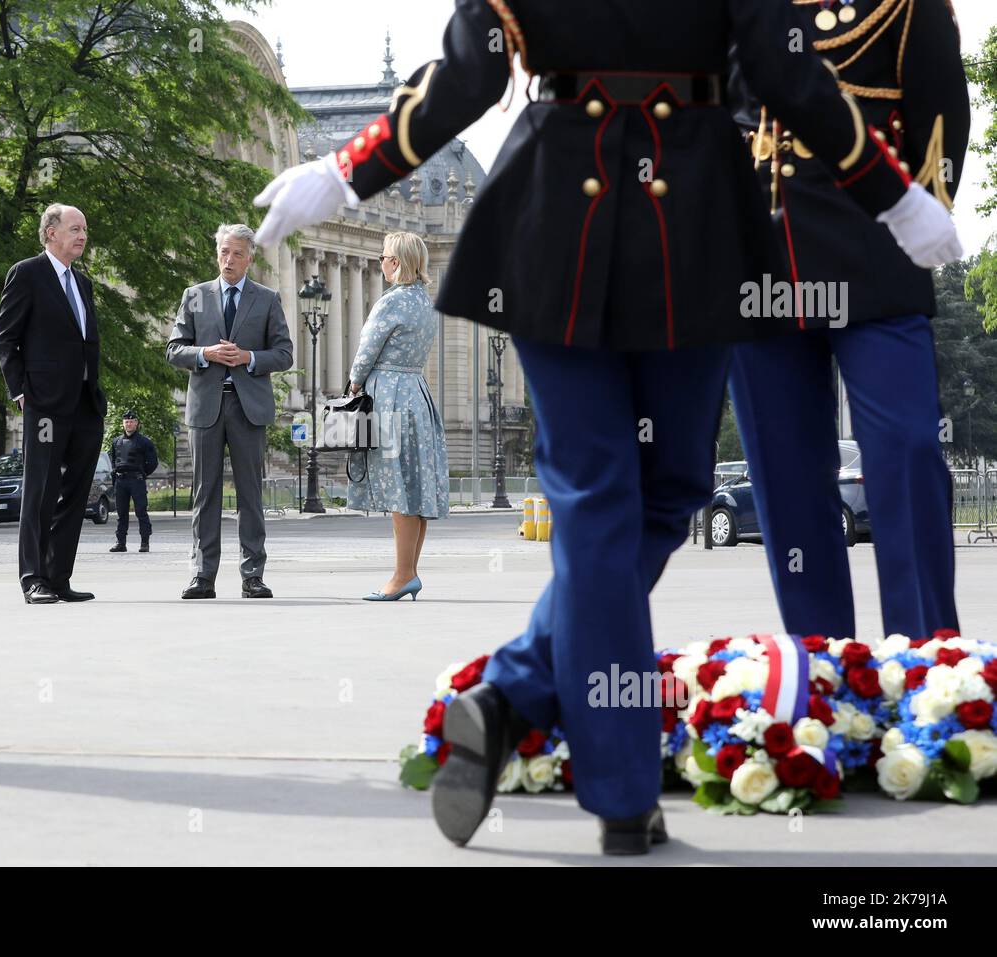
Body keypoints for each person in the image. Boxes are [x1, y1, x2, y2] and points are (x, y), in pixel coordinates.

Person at [253, 0, 962, 853]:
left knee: (662, 495)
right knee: (605, 501)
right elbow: (781, 70)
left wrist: (347, 171)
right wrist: (343, 171)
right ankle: (621, 795)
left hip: (582, 221)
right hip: (672, 220)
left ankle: (512, 690)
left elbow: (473, 73)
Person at [726, 0, 969, 642]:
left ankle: (928, 665)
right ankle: (825, 669)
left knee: (909, 455)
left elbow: (941, 124)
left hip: (875, 259)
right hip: (760, 268)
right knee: (785, 478)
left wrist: (919, 229)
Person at [166, 224, 293, 600]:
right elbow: (174, 349)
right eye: (224, 252)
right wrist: (205, 353)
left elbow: (284, 353)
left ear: (250, 257)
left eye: (237, 253)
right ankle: (202, 576)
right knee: (204, 493)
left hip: (247, 407)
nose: (229, 260)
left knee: (250, 495)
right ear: (216, 254)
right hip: (206, 407)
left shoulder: (267, 299)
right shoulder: (195, 296)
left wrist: (248, 357)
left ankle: (253, 575)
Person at [0, 203, 108, 605]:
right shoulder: (27, 274)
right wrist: (21, 391)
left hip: (85, 404)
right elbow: (6, 337)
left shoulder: (83, 283)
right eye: (75, 228)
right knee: (41, 491)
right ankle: (33, 579)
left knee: (76, 494)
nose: (82, 236)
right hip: (44, 404)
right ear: (50, 233)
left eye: (85, 230)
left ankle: (59, 577)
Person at [346, 231, 449, 601]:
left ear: (396, 262)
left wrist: (354, 384)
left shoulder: (391, 303)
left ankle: (402, 574)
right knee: (415, 485)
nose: (381, 261)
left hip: (388, 396)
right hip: (417, 394)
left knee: (398, 488)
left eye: (384, 256)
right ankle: (410, 572)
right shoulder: (425, 301)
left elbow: (367, 350)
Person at [109, 410, 159, 553]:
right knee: (121, 514)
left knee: (141, 512)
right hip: (121, 481)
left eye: (131, 421)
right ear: (123, 424)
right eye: (126, 422)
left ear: (136, 423)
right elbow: (113, 460)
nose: (128, 424)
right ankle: (121, 543)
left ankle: (144, 543)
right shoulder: (116, 441)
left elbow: (153, 462)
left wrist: (142, 473)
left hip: (136, 480)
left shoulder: (145, 442)